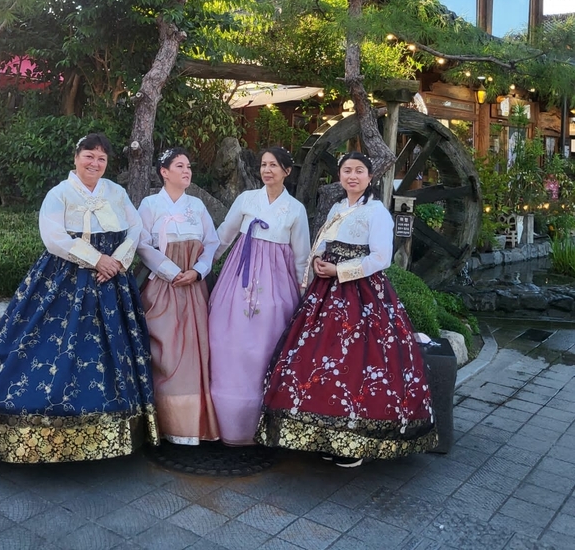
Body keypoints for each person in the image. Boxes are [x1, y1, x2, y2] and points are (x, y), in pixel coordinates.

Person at [0, 133, 158, 463]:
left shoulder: (117, 192)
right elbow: (53, 236)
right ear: (76, 157)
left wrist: (118, 261)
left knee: (110, 349)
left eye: (101, 159)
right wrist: (97, 259)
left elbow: (136, 228)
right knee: (52, 345)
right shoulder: (59, 194)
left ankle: (116, 427)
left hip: (112, 280)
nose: (95, 163)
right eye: (89, 156)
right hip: (67, 277)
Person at [256, 151, 437, 465]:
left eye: (359, 171)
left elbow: (381, 258)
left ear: (370, 177)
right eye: (346, 171)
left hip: (362, 296)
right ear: (339, 176)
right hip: (325, 293)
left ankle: (355, 442)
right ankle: (326, 434)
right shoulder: (338, 207)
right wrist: (318, 262)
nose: (352, 176)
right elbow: (323, 243)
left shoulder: (377, 212)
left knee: (355, 365)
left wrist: (340, 272)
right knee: (320, 363)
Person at [208, 147, 310, 446]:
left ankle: (261, 420)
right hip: (238, 275)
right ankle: (222, 418)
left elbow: (301, 255)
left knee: (264, 345)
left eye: (274, 166)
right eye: (264, 165)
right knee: (227, 340)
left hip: (275, 282)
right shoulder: (246, 199)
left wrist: (304, 291)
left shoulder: (295, 209)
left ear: (287, 171)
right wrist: (202, 267)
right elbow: (224, 235)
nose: (267, 170)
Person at [137, 147, 220, 445]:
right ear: (164, 171)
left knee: (196, 351)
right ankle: (163, 422)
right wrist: (172, 271)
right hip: (163, 285)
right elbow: (142, 244)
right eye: (180, 166)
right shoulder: (148, 205)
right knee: (166, 351)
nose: (187, 171)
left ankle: (192, 425)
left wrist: (197, 271)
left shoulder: (196, 206)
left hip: (193, 286)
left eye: (188, 166)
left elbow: (212, 242)